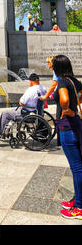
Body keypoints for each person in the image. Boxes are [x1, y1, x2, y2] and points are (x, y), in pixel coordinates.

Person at [52, 55, 82, 219]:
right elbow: (80, 94)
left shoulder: (63, 82)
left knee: (77, 168)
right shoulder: (74, 81)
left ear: (57, 68)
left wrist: (67, 110)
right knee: (79, 166)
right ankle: (78, 199)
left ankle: (79, 207)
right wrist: (75, 108)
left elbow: (63, 99)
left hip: (67, 127)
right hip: (76, 124)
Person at [0, 73, 47, 140]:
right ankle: (4, 130)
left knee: (5, 113)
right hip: (37, 113)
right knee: (11, 111)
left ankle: (1, 133)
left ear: (31, 81)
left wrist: (22, 103)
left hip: (26, 114)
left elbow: (21, 103)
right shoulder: (43, 88)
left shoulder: (31, 90)